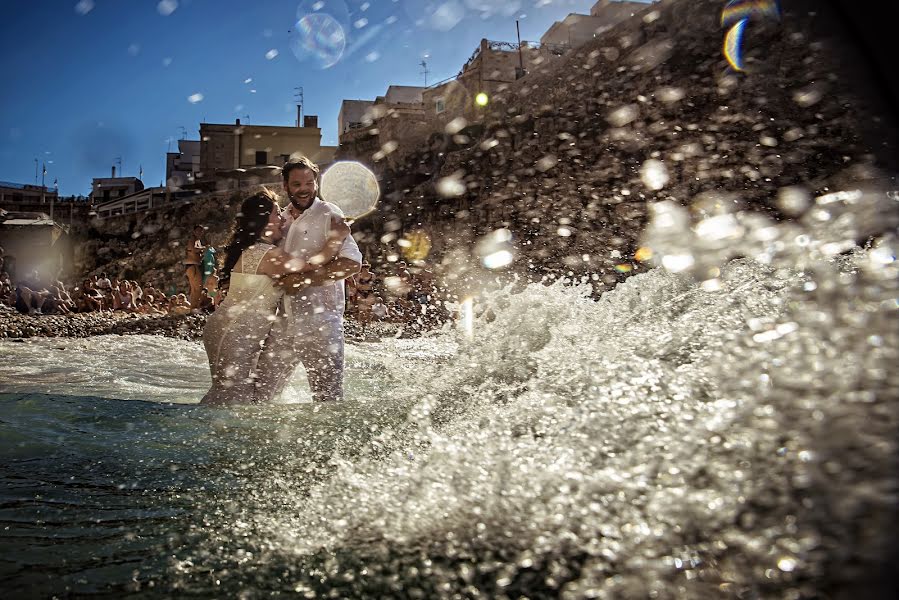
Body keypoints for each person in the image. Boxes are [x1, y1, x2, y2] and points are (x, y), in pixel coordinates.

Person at [200, 188, 349, 406]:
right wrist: (337, 237)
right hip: (235, 333)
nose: (282, 218)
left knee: (229, 395)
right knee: (234, 398)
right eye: (277, 213)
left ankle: (198, 429)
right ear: (264, 219)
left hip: (230, 329)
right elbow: (311, 265)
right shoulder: (269, 254)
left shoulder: (255, 249)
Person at [252, 156, 362, 403]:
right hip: (281, 324)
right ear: (285, 186)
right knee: (260, 398)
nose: (304, 189)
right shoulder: (280, 219)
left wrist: (304, 281)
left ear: (316, 182)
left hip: (320, 323)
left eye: (309, 183)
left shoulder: (328, 213)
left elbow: (351, 264)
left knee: (327, 400)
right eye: (297, 184)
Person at [184, 224, 206, 309]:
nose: (200, 232)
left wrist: (202, 252)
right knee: (198, 288)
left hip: (192, 265)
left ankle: (193, 307)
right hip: (193, 266)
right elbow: (192, 249)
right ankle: (194, 308)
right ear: (194, 231)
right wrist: (203, 249)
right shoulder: (192, 239)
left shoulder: (198, 241)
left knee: (194, 289)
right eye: (198, 230)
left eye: (201, 231)